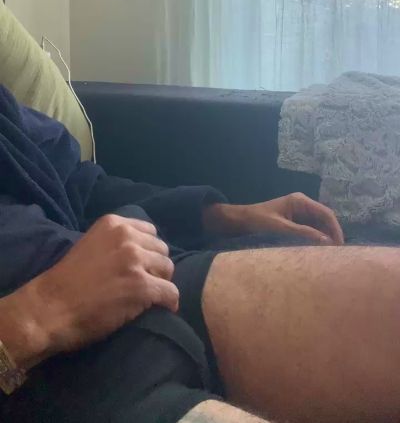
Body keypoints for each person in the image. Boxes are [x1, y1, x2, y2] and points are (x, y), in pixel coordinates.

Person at [1, 85, 400, 423]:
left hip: (146, 284)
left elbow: (82, 186)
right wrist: (37, 313)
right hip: (52, 375)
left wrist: (226, 216)